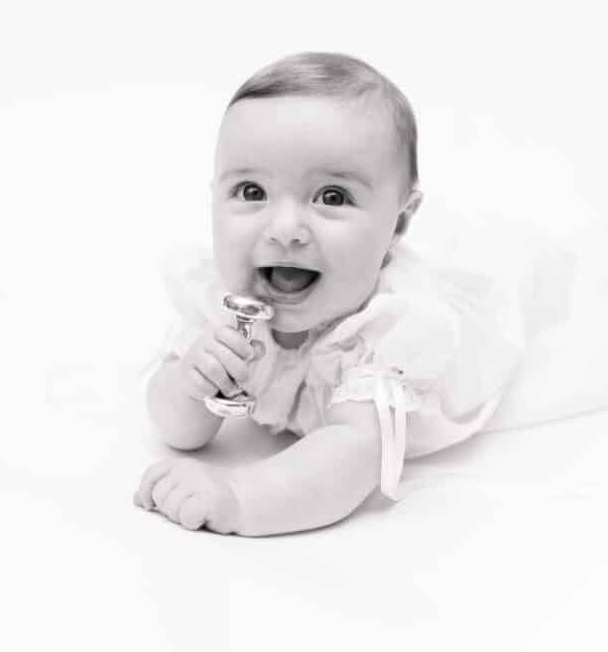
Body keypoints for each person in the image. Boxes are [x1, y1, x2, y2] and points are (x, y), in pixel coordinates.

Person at [133, 51, 525, 536]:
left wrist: (238, 497)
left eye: (332, 197)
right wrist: (191, 382)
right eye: (252, 191)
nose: (285, 229)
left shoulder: (387, 332)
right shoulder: (222, 300)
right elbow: (176, 430)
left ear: (398, 221)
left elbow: (352, 454)